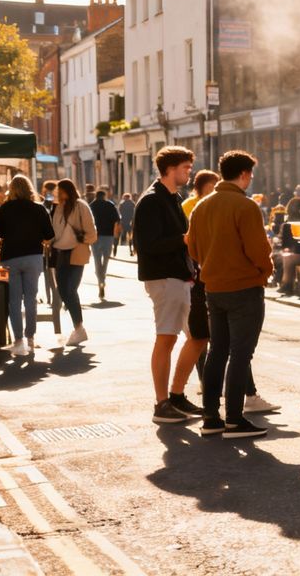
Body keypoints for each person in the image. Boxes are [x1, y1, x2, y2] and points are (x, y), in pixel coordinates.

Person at [187, 151, 274, 439]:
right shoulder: (245, 206)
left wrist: (210, 266)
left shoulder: (202, 206)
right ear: (245, 174)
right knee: (240, 354)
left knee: (217, 352)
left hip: (214, 287)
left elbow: (194, 249)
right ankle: (235, 420)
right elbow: (259, 250)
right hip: (244, 287)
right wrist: (264, 271)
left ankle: (211, 417)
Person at [134, 147, 206, 424]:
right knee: (166, 338)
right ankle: (161, 403)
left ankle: (176, 396)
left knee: (199, 336)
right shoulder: (152, 201)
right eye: (186, 168)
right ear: (171, 168)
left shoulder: (172, 198)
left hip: (181, 277)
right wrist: (185, 240)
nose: (190, 172)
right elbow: (148, 245)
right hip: (164, 279)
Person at [0, 175, 55, 355]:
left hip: (10, 257)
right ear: (29, 188)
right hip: (33, 257)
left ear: (11, 189)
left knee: (14, 301)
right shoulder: (39, 209)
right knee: (30, 300)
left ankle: (18, 340)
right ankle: (31, 339)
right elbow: (49, 236)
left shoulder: (4, 209)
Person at [48, 179, 97, 348]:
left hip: (77, 252)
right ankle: (78, 328)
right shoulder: (57, 207)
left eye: (60, 191)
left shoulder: (80, 206)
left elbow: (92, 233)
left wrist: (81, 238)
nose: (58, 194)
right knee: (63, 291)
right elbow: (54, 231)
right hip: (60, 254)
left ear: (68, 190)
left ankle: (79, 328)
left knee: (70, 290)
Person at [88, 189, 121, 301]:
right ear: (104, 196)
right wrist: (116, 234)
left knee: (97, 260)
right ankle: (103, 278)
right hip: (108, 236)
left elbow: (88, 221)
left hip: (95, 236)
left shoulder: (91, 206)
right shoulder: (110, 205)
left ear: (96, 196)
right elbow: (117, 220)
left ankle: (100, 280)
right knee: (106, 259)